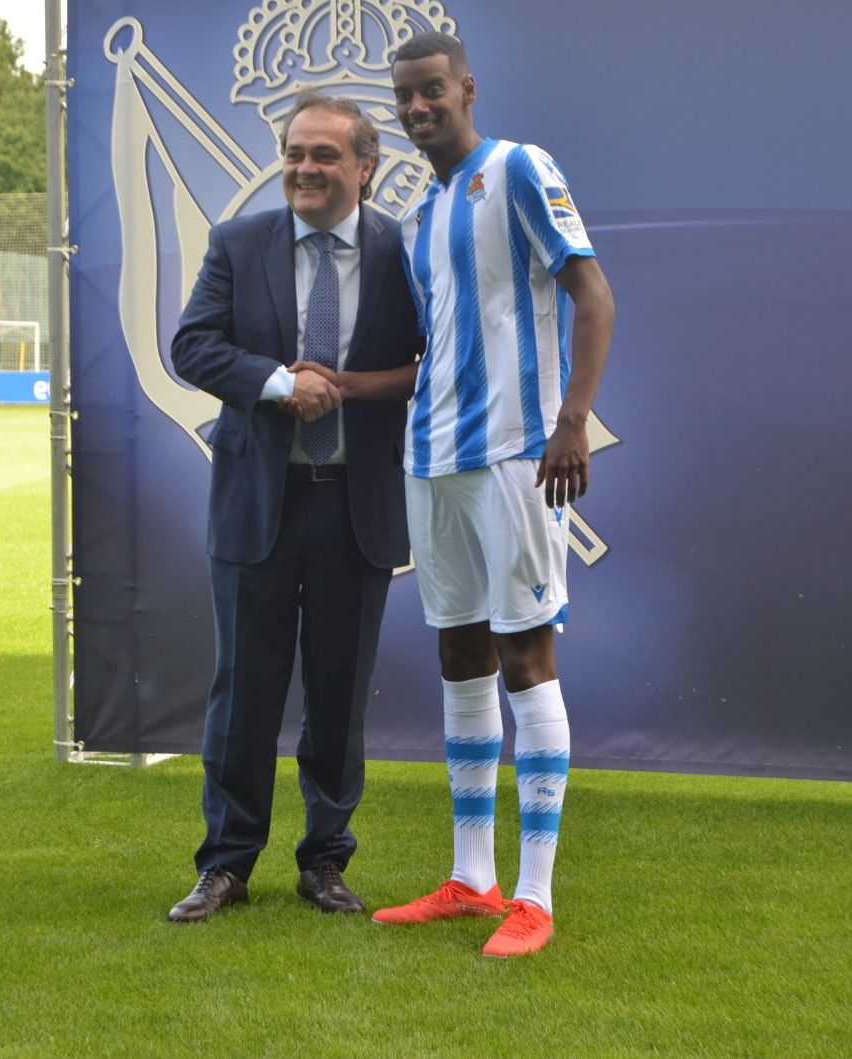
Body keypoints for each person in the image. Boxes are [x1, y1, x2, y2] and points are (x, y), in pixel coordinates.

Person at [368, 32, 617, 958]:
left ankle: (535, 894)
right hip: (433, 461)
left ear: (467, 89)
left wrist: (573, 419)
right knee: (461, 657)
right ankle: (471, 877)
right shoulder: (423, 212)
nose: (419, 107)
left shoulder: (517, 168)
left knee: (525, 655)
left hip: (518, 453)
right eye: (406, 96)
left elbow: (593, 295)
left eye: (434, 90)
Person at [166, 91, 422, 923]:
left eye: (323, 156)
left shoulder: (402, 256)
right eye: (294, 154)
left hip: (357, 506)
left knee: (339, 696)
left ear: (365, 168)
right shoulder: (239, 243)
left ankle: (325, 862)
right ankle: (226, 864)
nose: (304, 169)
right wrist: (278, 384)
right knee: (244, 692)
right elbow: (193, 345)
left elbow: (434, 358)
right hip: (257, 507)